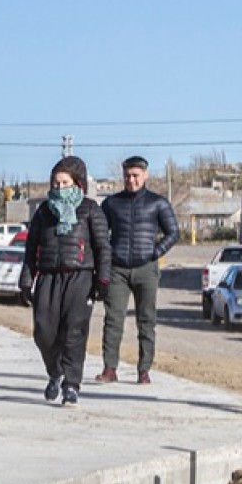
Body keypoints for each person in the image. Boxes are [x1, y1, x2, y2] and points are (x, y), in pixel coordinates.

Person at [20, 155, 110, 408]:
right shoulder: (44, 212)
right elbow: (31, 248)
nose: (59, 188)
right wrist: (27, 280)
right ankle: (55, 372)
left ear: (77, 184)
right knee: (44, 332)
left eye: (65, 183)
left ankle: (71, 385)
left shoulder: (91, 209)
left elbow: (103, 247)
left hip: (80, 276)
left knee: (74, 332)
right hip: (49, 277)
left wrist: (103, 279)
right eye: (56, 183)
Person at [98, 155, 180, 385]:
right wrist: (107, 257)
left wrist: (156, 252)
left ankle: (144, 370)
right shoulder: (112, 204)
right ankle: (109, 368)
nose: (131, 180)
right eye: (127, 175)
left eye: (135, 175)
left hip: (147, 269)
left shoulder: (158, 203)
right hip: (118, 270)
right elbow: (101, 234)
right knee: (113, 319)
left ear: (145, 175)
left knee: (146, 321)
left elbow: (173, 233)